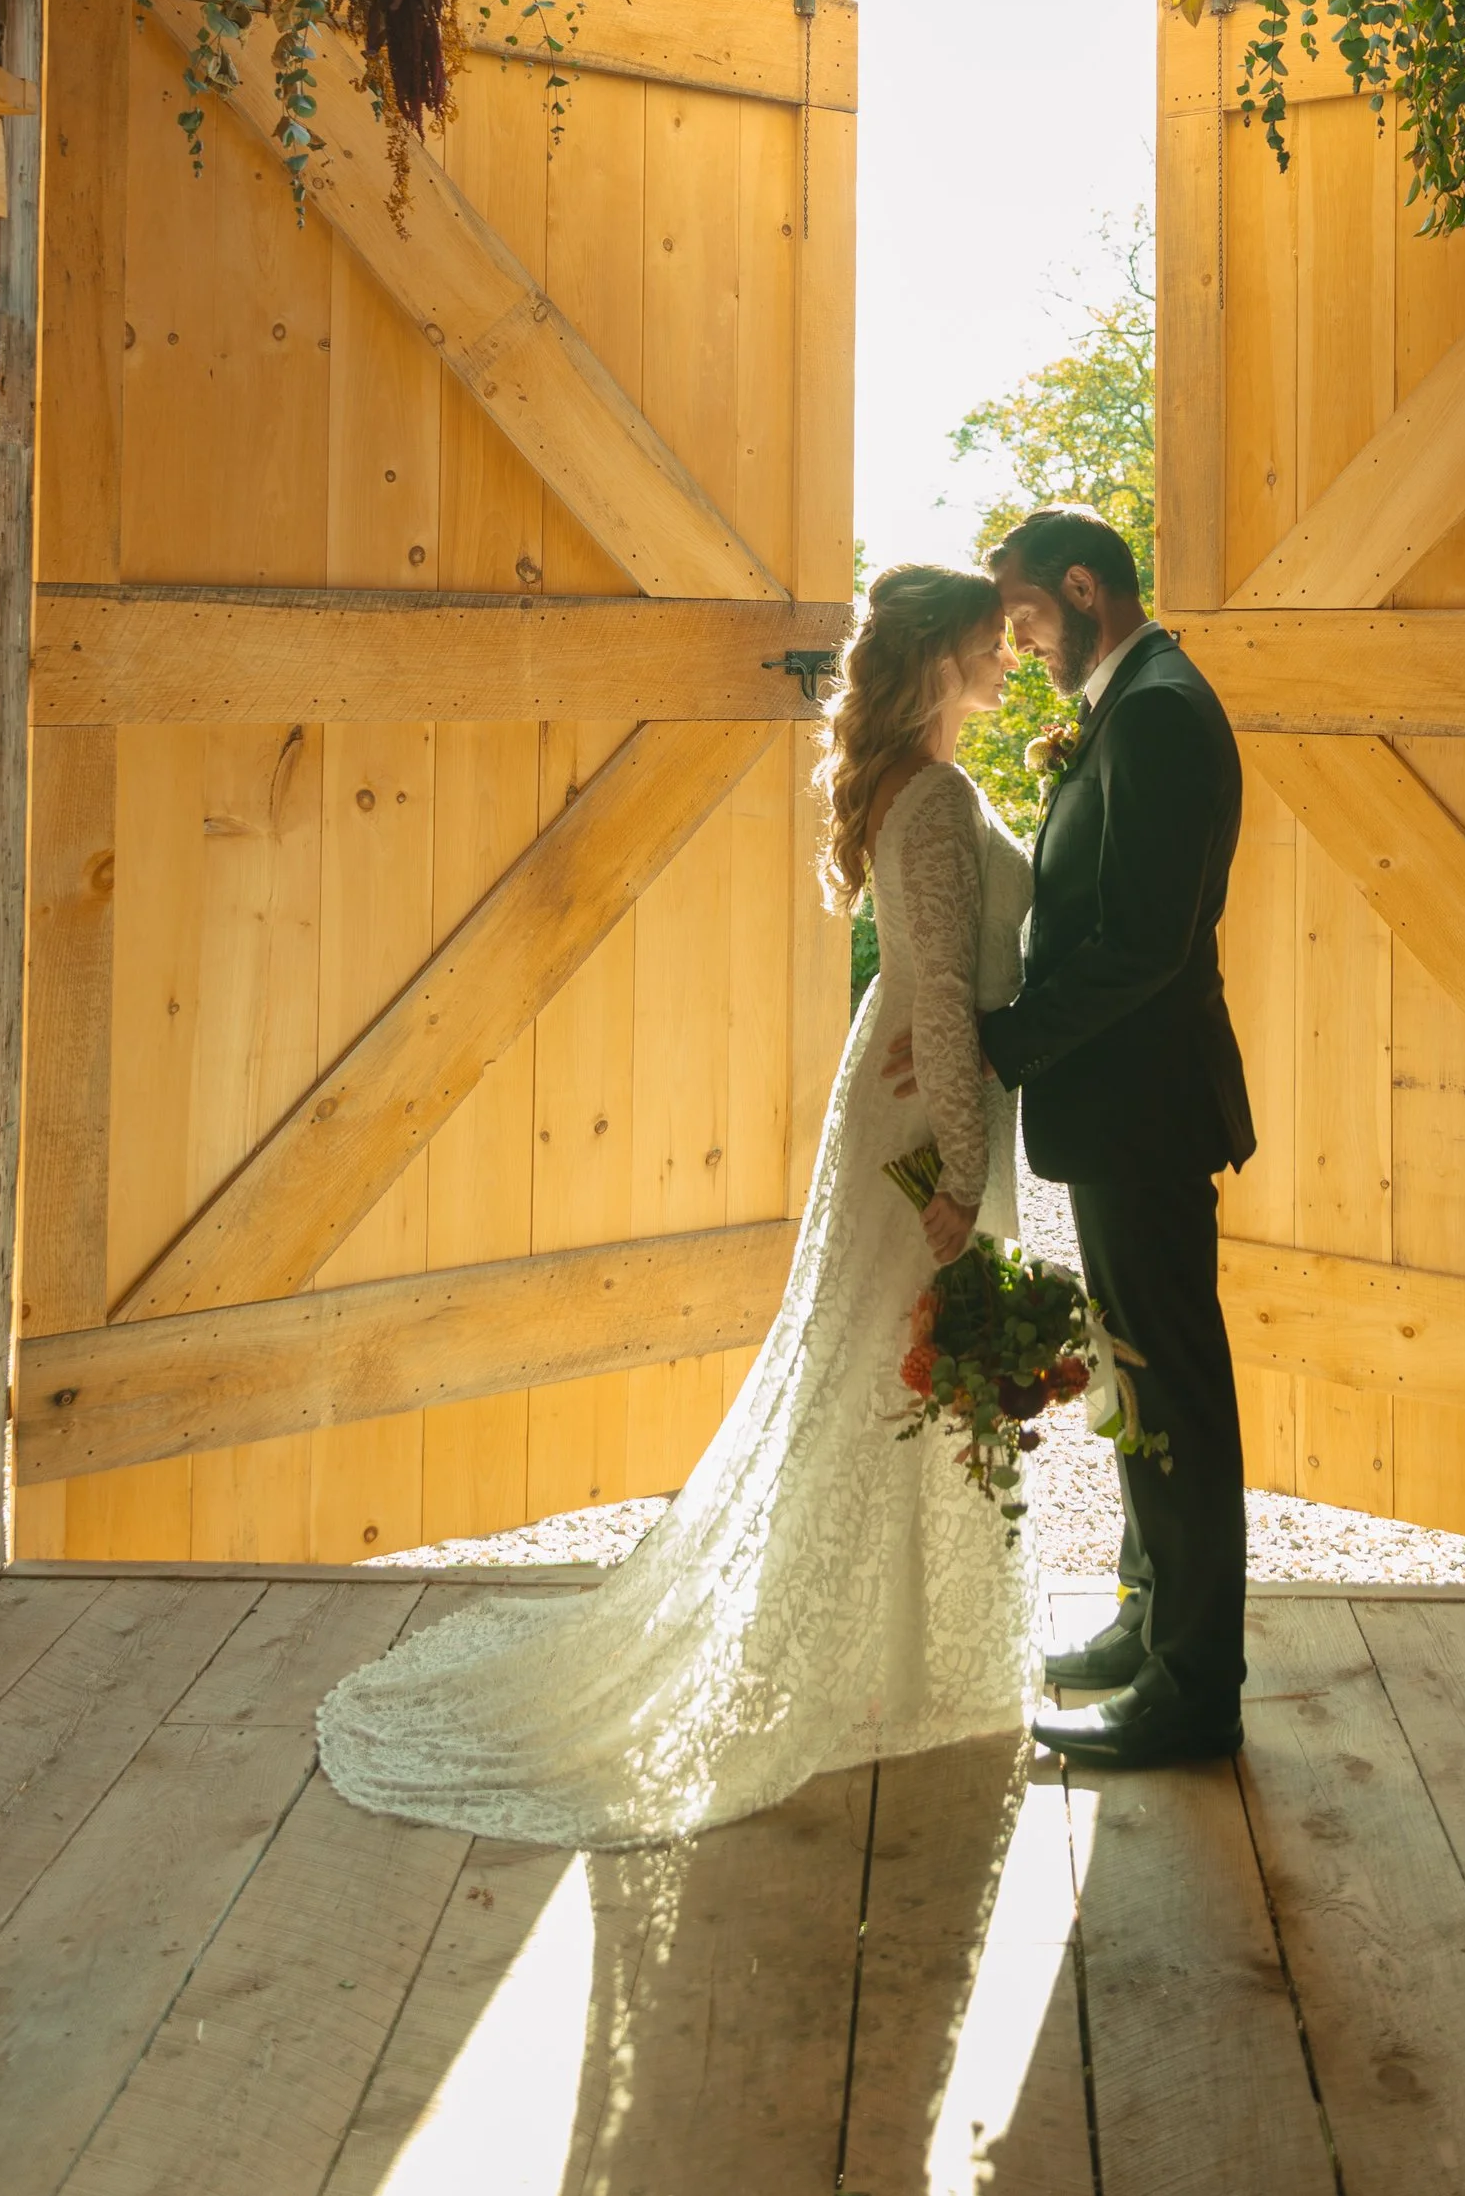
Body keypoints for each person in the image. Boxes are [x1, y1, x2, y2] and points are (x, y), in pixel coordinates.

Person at [313, 565, 1038, 1848]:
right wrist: (969, 1179)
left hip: (928, 1092)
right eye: (989, 643)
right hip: (928, 1127)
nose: (1005, 658)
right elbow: (934, 994)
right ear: (937, 660)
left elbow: (944, 974)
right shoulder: (934, 797)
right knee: (896, 1370)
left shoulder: (917, 787)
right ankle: (884, 1665)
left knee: (904, 1376)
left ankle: (914, 1659)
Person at [898, 503, 1253, 1769]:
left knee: (1179, 1395)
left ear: (1086, 589)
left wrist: (1000, 1044)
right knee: (1139, 1380)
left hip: (1146, 1107)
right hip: (1127, 1105)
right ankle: (1146, 1623)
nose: (1020, 638)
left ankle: (1194, 1688)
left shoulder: (1156, 707)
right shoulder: (1133, 695)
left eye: (1030, 614)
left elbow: (1144, 946)